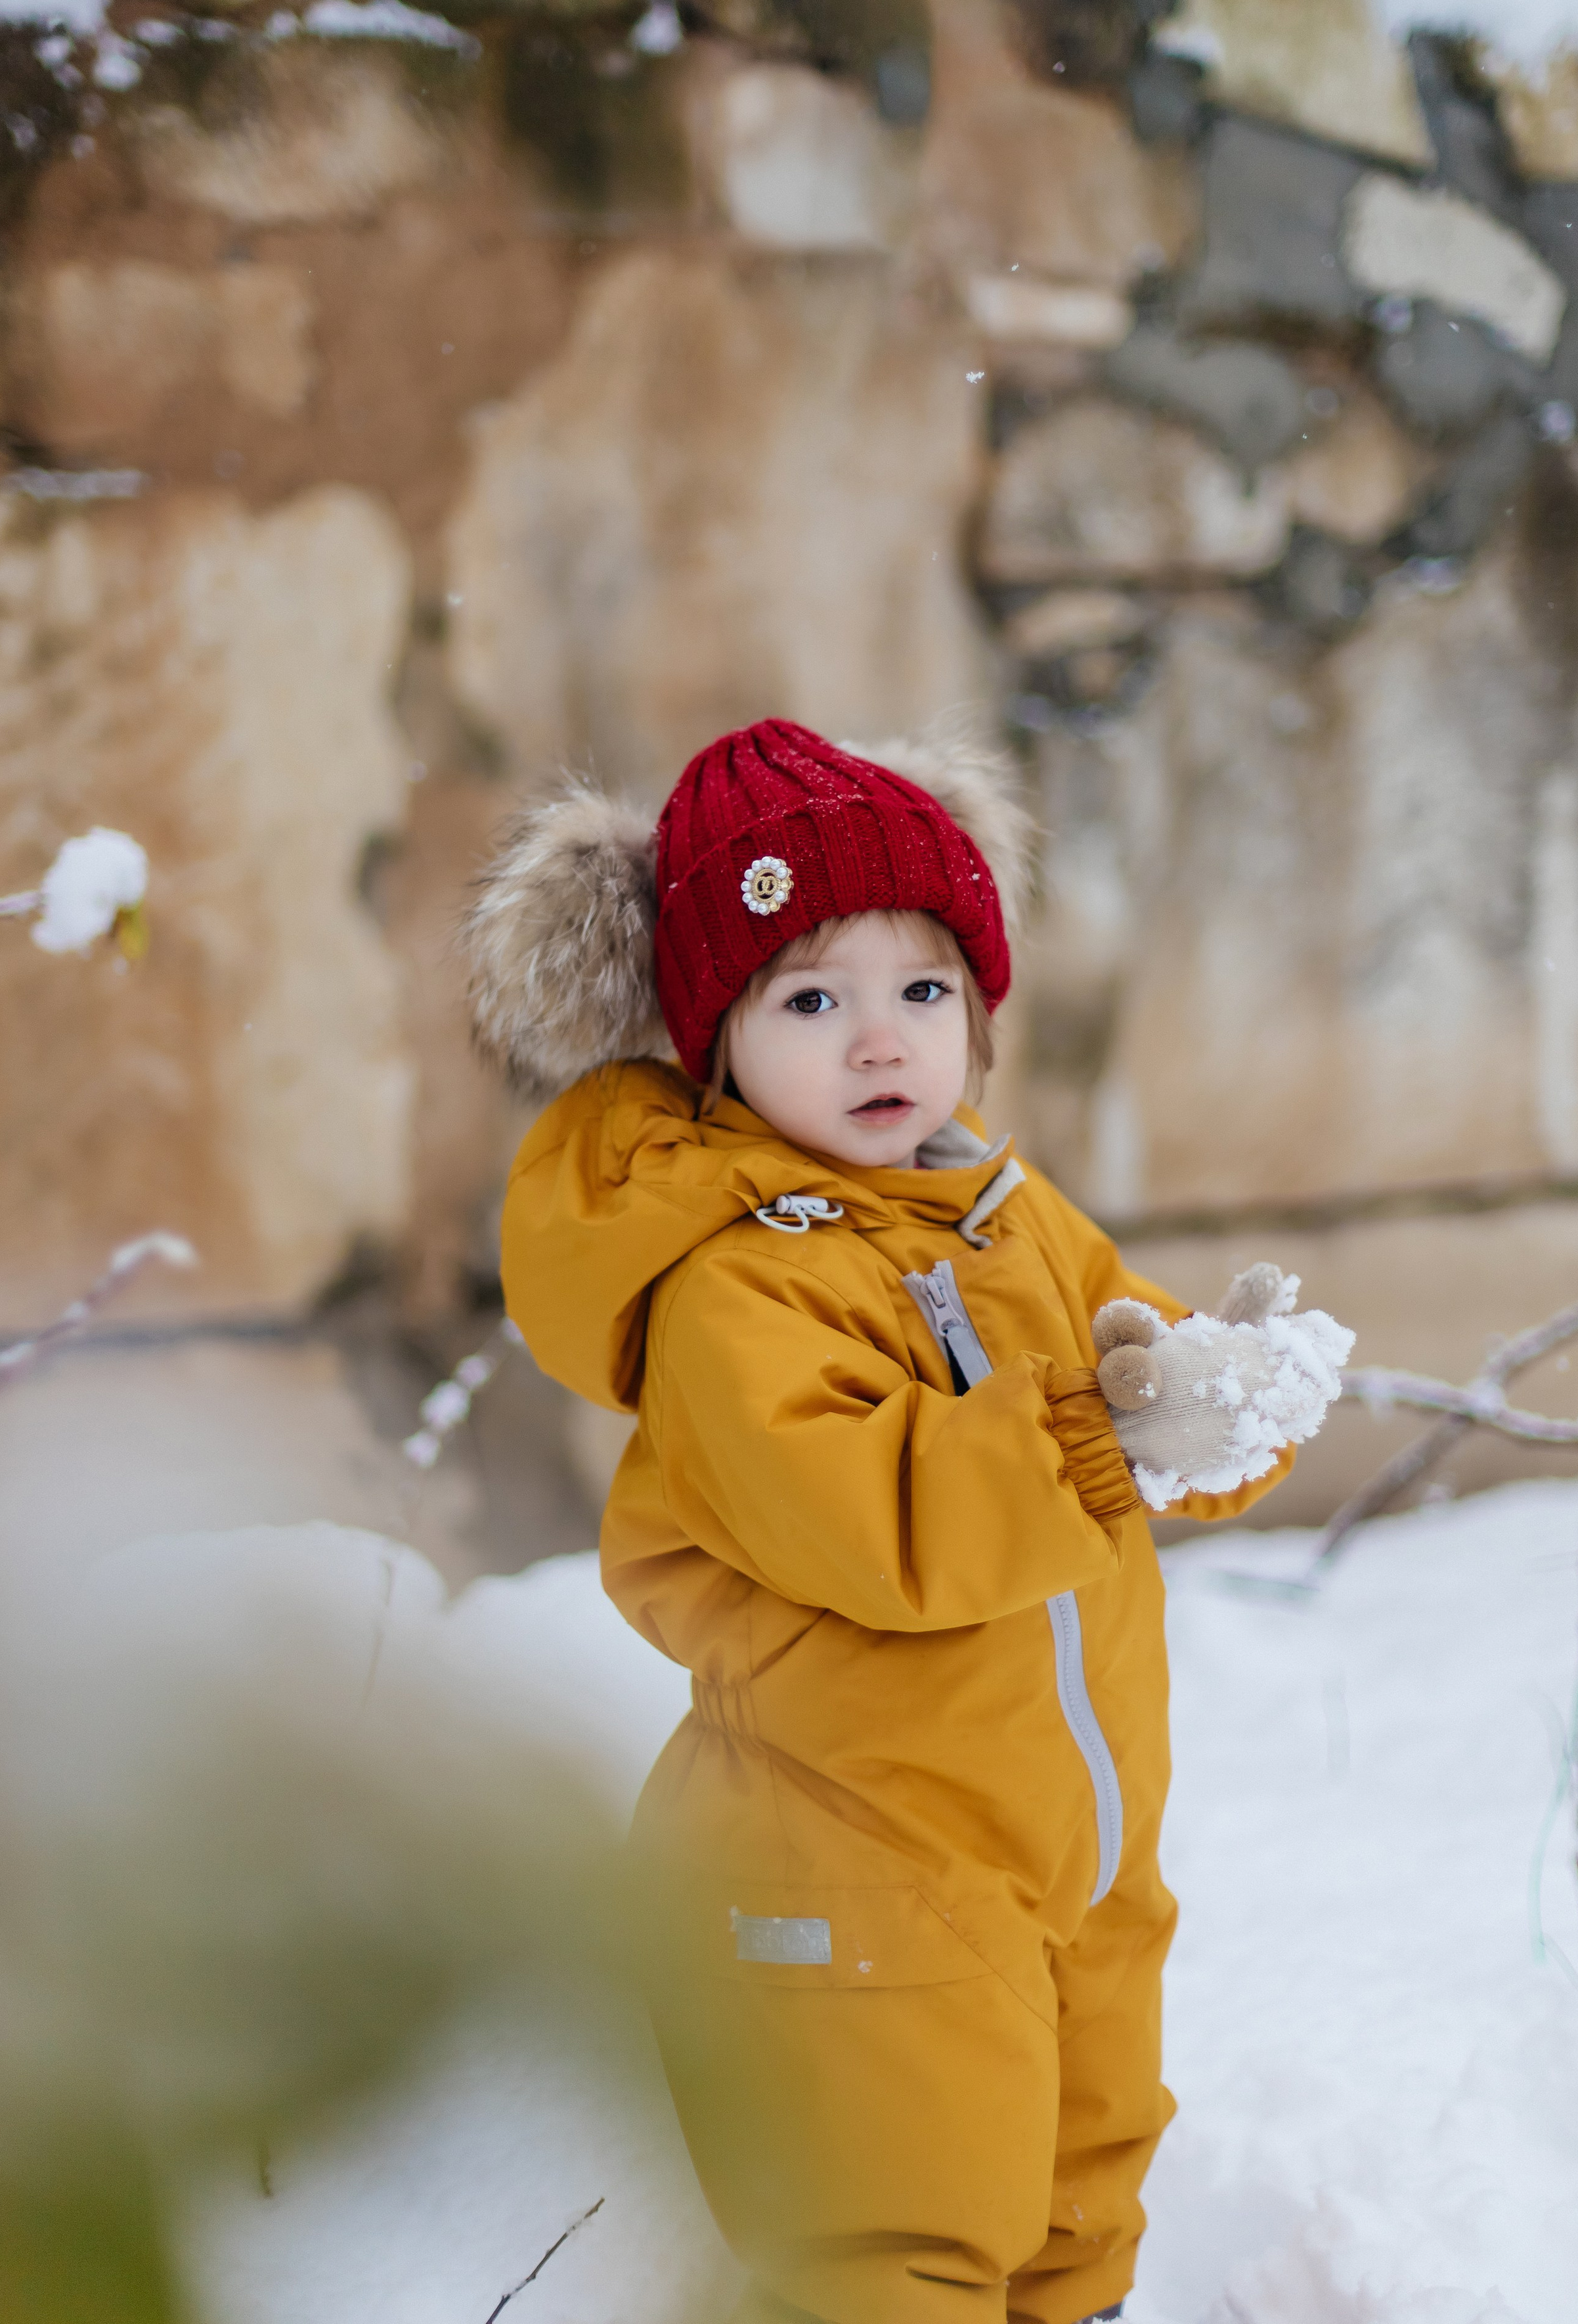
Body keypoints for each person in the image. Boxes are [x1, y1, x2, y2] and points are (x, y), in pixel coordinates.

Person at [464, 716, 1352, 2324]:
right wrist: (1103, 1427)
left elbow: (1130, 1379)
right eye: (812, 999)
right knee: (899, 2242)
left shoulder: (1007, 1217)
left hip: (1066, 1859)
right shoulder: (736, 1287)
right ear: (710, 1044)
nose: (880, 1044)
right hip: (855, 1878)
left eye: (920, 992)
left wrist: (1215, 1402)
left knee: (1075, 2211)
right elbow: (868, 1519)